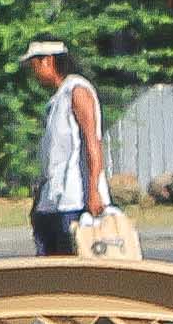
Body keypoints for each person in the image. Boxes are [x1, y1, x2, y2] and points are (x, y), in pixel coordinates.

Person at [26, 38, 111, 257]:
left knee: (73, 267)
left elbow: (93, 142)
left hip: (75, 201)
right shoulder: (56, 100)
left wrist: (93, 191)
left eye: (34, 65)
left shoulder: (77, 91)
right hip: (52, 202)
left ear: (48, 61)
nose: (33, 73)